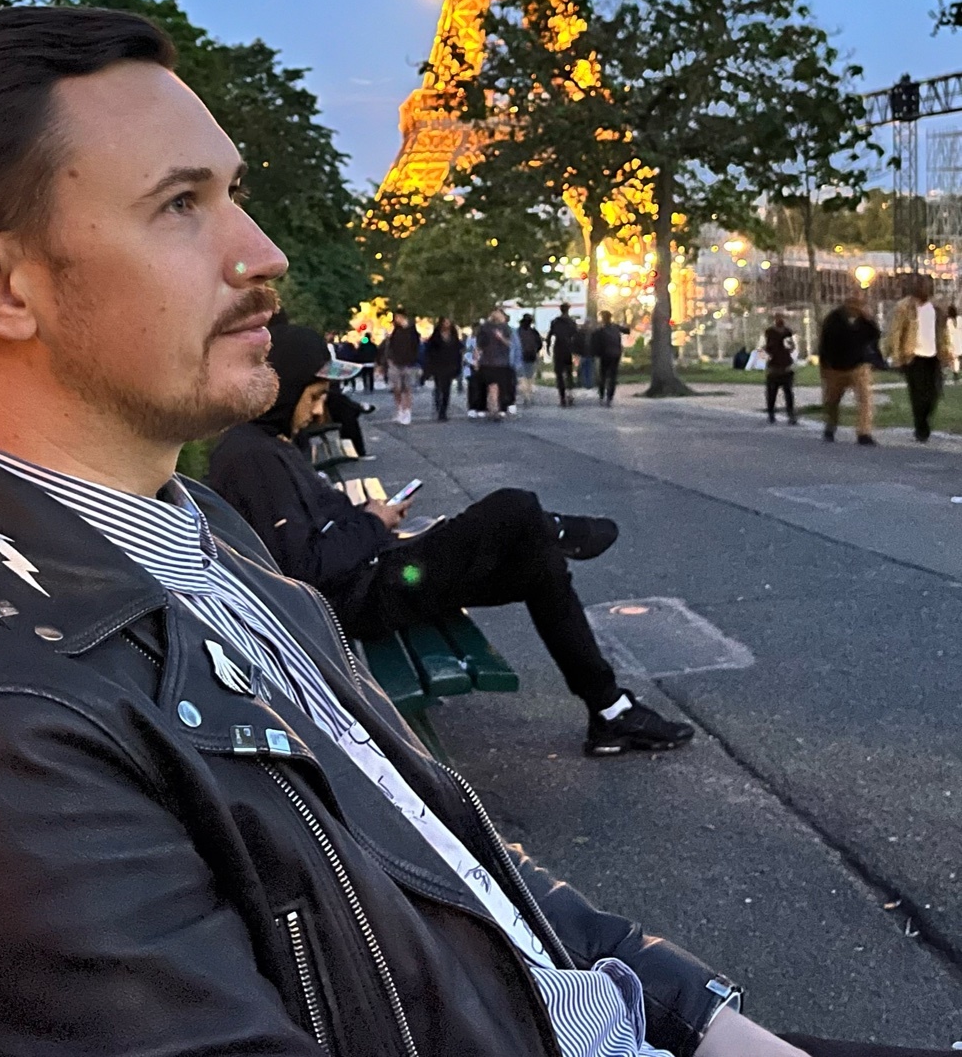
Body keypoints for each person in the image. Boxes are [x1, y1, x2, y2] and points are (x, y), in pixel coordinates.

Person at [0, 7, 935, 1057]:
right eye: (180, 204)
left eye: (233, 192)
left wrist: (697, 1013)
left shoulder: (195, 529)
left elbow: (440, 849)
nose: (264, 253)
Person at [211, 319, 694, 761]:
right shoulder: (252, 458)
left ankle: (609, 711)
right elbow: (306, 567)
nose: (318, 412)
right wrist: (374, 523)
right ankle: (565, 530)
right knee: (513, 508)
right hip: (366, 595)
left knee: (538, 562)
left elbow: (314, 531)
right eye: (313, 396)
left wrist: (369, 517)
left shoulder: (265, 446)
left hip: (379, 574)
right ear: (283, 388)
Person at [887, 275, 952, 443]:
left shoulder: (936, 308)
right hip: (913, 356)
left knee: (934, 392)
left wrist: (946, 352)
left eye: (927, 286)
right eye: (921, 286)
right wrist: (896, 354)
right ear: (915, 288)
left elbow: (942, 332)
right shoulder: (904, 307)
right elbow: (896, 332)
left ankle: (924, 420)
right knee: (918, 394)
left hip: (933, 356)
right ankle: (921, 428)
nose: (925, 289)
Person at [818, 292, 881, 446]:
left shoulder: (864, 321)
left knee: (865, 399)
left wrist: (869, 319)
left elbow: (875, 335)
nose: (855, 308)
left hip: (858, 366)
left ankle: (864, 432)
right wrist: (825, 366)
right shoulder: (833, 319)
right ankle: (830, 427)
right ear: (846, 304)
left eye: (858, 304)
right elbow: (824, 343)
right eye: (852, 304)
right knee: (832, 400)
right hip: (835, 368)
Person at [474, 306, 515, 419]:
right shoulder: (485, 328)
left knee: (499, 386)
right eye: (494, 312)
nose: (496, 315)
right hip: (487, 361)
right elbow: (479, 345)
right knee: (490, 385)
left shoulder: (506, 328)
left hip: (502, 362)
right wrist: (476, 359)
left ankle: (498, 408)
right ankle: (492, 407)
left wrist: (501, 337)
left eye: (498, 313)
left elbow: (510, 344)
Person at [423, 315, 463, 421]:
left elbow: (458, 352)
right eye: (445, 322)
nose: (446, 324)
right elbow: (429, 352)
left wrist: (457, 366)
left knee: (446, 389)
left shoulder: (454, 336)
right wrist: (429, 367)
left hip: (450, 365)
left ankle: (443, 411)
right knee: (438, 387)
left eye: (448, 322)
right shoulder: (435, 337)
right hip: (438, 365)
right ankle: (438, 406)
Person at [386, 306, 420, 425]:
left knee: (406, 389)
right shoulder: (396, 330)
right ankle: (400, 409)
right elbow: (391, 345)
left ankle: (407, 411)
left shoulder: (411, 330)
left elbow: (416, 345)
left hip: (408, 363)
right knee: (397, 388)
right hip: (396, 362)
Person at [762, 314, 797, 426]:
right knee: (773, 393)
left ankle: (790, 414)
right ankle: (772, 413)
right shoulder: (770, 332)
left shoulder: (787, 332)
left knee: (787, 393)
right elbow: (766, 348)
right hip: (775, 366)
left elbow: (791, 347)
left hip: (784, 366)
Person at [547, 302, 577, 406]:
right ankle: (570, 394)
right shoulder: (572, 322)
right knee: (569, 373)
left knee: (559, 374)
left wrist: (547, 348)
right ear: (568, 309)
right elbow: (576, 336)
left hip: (558, 348)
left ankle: (562, 397)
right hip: (568, 349)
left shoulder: (555, 322)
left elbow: (550, 335)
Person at [595, 311, 627, 405]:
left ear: (603, 318)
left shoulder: (601, 329)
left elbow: (596, 343)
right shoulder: (616, 327)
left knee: (603, 375)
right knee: (613, 375)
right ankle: (610, 396)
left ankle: (601, 395)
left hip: (605, 355)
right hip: (616, 354)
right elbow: (627, 330)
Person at [517, 311, 543, 405]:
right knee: (530, 377)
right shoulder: (534, 332)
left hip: (521, 356)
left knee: (522, 377)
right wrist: (536, 351)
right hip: (532, 356)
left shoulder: (517, 332)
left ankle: (526, 396)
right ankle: (529, 394)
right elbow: (540, 344)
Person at [948, 302, 962, 381]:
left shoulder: (948, 321)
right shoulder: (960, 319)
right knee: (956, 359)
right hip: (959, 340)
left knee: (955, 359)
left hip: (953, 342)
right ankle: (955, 373)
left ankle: (955, 374)